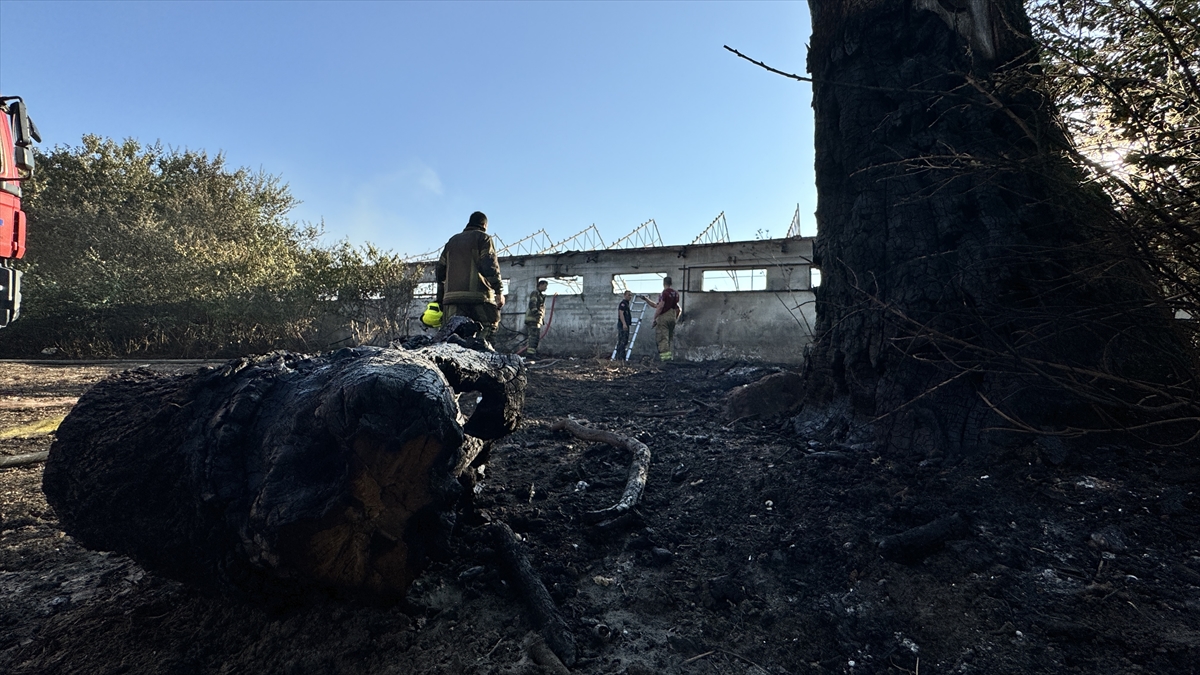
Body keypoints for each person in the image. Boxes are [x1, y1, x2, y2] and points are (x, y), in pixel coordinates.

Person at [435, 211, 505, 340]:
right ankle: (480, 358)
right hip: (478, 297)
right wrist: (499, 291)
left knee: (451, 337)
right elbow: (489, 265)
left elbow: (440, 273)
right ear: (484, 225)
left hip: (452, 300)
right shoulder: (483, 238)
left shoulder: (452, 241)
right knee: (487, 330)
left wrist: (440, 300)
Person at [642, 276, 681, 361]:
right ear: (671, 283)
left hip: (664, 317)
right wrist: (646, 299)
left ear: (663, 283)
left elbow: (660, 306)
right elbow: (678, 309)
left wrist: (655, 318)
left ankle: (666, 360)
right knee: (669, 339)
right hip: (672, 317)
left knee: (662, 339)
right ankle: (671, 358)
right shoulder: (675, 294)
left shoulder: (664, 293)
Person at [524, 279, 548, 357]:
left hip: (537, 320)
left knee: (535, 337)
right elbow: (532, 304)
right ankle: (530, 354)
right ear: (540, 285)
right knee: (533, 337)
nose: (546, 288)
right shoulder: (535, 293)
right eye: (545, 286)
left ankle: (532, 353)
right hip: (533, 319)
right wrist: (537, 314)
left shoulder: (540, 295)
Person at [615, 289, 633, 360]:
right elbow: (621, 313)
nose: (630, 297)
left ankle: (621, 357)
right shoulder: (623, 304)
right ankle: (620, 358)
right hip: (623, 325)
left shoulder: (627, 304)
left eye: (631, 295)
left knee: (624, 341)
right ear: (625, 295)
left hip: (625, 325)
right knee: (622, 341)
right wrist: (624, 324)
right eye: (628, 295)